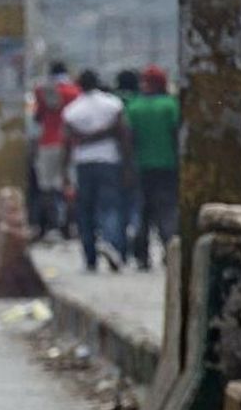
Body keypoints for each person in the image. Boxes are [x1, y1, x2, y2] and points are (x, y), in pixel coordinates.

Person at [62, 69, 134, 272]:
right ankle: (113, 246)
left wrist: (65, 174)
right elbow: (124, 136)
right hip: (109, 161)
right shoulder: (113, 105)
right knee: (111, 208)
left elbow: (67, 143)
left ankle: (90, 257)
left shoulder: (72, 110)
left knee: (85, 211)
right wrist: (128, 166)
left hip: (83, 163)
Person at [125, 64, 180, 270]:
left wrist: (128, 166)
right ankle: (170, 251)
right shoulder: (170, 105)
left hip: (142, 166)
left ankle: (142, 256)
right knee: (167, 211)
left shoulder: (134, 106)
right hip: (168, 166)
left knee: (143, 212)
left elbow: (129, 139)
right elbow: (176, 134)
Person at [33, 61, 81, 239]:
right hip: (70, 144)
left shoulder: (42, 90)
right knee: (69, 185)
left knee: (47, 186)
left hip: (47, 143)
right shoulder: (75, 91)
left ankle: (51, 225)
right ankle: (69, 225)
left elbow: (38, 118)